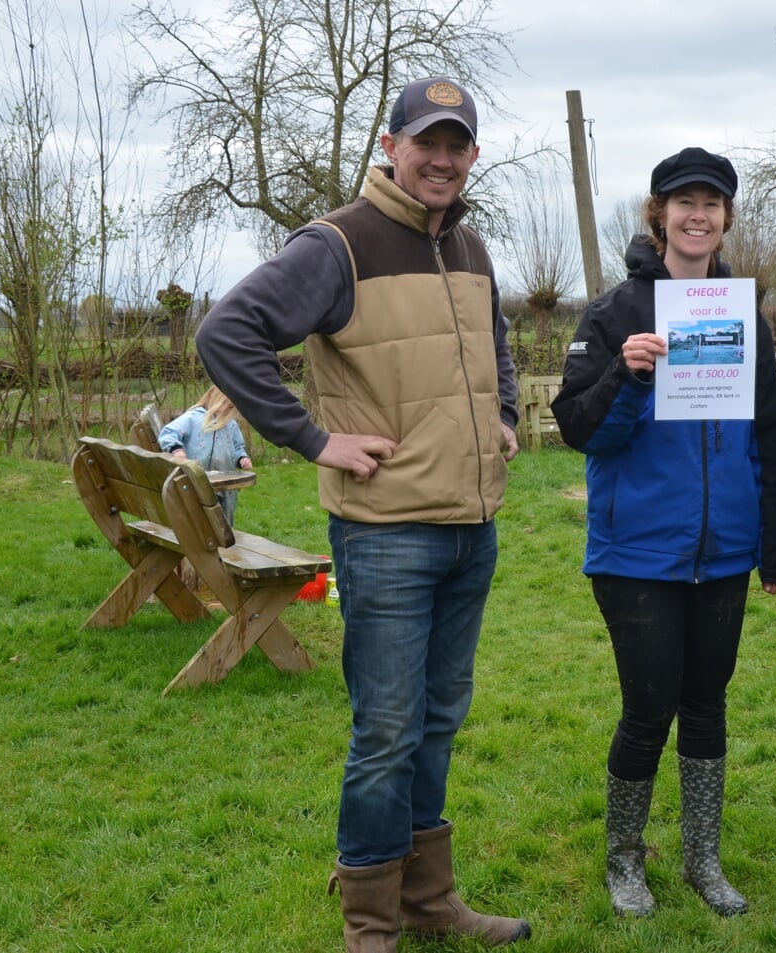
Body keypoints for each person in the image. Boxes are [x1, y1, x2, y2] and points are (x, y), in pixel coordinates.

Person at [194, 76, 529, 951]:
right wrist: (313, 439)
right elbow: (226, 333)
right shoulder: (338, 244)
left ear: (472, 156)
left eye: (457, 145)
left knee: (440, 715)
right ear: (391, 147)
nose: (442, 158)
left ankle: (427, 899)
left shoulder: (471, 246)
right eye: (427, 141)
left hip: (471, 526)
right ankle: (371, 923)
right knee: (385, 726)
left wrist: (502, 417)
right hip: (386, 535)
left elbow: (495, 340)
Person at [550, 147, 776, 919]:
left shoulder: (740, 314)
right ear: (658, 212)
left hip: (721, 552)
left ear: (724, 219)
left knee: (708, 703)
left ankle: (701, 857)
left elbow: (769, 432)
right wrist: (629, 374)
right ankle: (625, 857)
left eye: (712, 203)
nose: (697, 215)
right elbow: (580, 431)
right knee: (648, 705)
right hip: (637, 554)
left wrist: (772, 543)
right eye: (683, 201)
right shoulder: (615, 311)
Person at [157, 385, 252, 525]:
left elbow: (238, 447)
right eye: (225, 404)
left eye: (231, 408)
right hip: (196, 480)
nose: (227, 409)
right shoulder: (193, 418)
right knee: (200, 520)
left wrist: (242, 459)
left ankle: (224, 543)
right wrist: (177, 450)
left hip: (225, 482)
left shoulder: (231, 425)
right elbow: (168, 433)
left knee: (225, 521)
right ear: (214, 398)